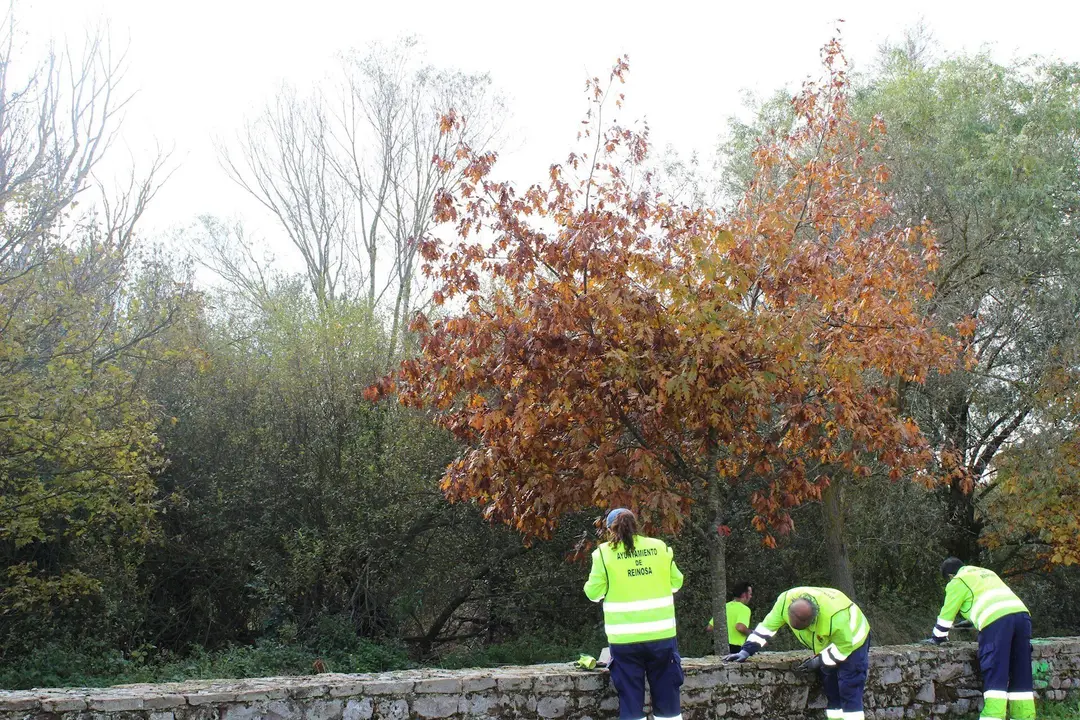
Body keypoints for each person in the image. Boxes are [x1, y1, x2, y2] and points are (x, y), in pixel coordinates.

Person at [584, 508, 684, 720]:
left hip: (624, 641)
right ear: (636, 524)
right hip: (661, 637)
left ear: (610, 529)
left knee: (630, 701)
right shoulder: (659, 547)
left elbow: (593, 593)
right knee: (668, 702)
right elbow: (676, 583)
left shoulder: (603, 553)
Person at [723, 586, 871, 720]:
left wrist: (818, 661)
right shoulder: (784, 603)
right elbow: (766, 629)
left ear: (814, 619)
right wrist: (746, 651)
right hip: (828, 645)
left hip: (854, 640)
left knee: (848, 687)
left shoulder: (834, 618)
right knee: (831, 687)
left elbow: (844, 647)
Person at [921, 558, 1035, 720]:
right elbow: (994, 601)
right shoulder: (986, 573)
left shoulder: (958, 581)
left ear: (950, 575)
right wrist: (970, 622)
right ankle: (1024, 716)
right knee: (1021, 668)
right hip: (1022, 617)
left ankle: (993, 716)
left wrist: (938, 637)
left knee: (996, 668)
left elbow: (947, 613)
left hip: (997, 623)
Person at [706, 581, 753, 654]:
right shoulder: (745, 609)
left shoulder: (724, 606)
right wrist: (751, 633)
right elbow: (740, 627)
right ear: (744, 594)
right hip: (735, 648)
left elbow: (710, 627)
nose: (751, 596)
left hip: (718, 647)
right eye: (750, 594)